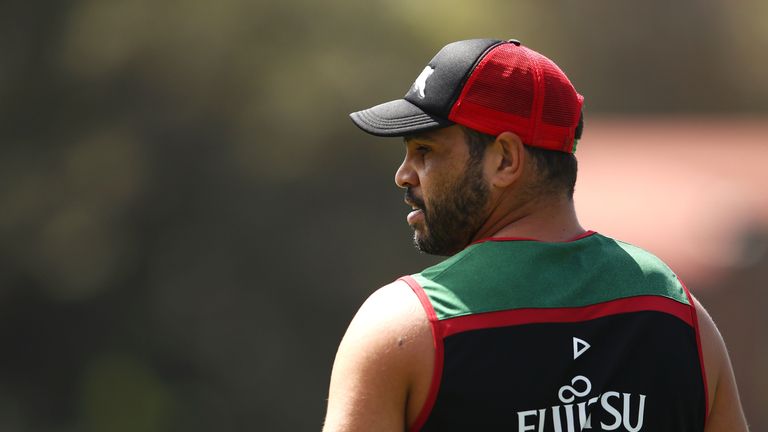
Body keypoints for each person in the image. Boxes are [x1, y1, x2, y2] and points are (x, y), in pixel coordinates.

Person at [323, 39, 748, 432]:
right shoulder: (679, 313)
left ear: (505, 159)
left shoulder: (405, 327)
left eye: (425, 151)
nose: (403, 175)